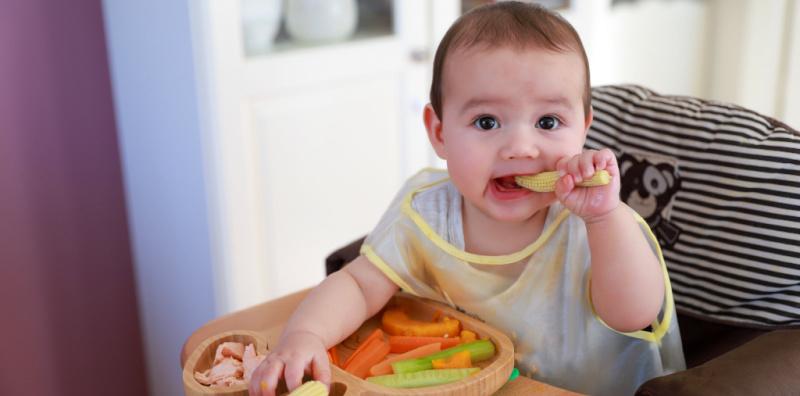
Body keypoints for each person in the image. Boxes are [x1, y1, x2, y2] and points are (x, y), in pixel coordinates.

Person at [249, 2, 685, 395]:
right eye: (487, 121)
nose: (520, 146)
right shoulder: (425, 214)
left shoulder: (594, 220)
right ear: (439, 133)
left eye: (548, 121)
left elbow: (634, 314)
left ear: (583, 128)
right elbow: (359, 285)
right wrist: (304, 336)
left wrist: (605, 218)